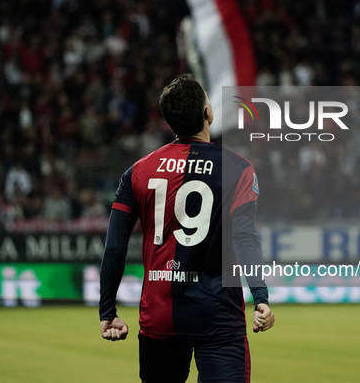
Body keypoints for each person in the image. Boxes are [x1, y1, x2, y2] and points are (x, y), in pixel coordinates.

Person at [99, 74, 275, 383]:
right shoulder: (238, 169)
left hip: (160, 317)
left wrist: (108, 311)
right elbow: (244, 235)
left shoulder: (137, 172)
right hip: (219, 317)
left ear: (169, 121)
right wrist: (260, 294)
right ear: (208, 113)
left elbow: (115, 247)